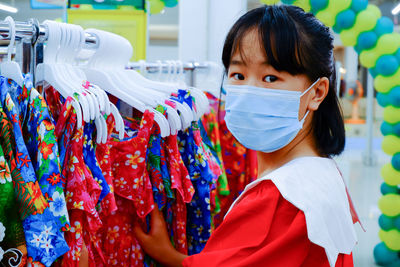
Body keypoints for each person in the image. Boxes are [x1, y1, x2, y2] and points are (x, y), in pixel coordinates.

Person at [133, 5, 360, 267]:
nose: (249, 91)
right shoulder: (321, 174)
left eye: (271, 78)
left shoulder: (281, 199)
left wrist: (168, 256)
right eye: (238, 74)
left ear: (317, 92)